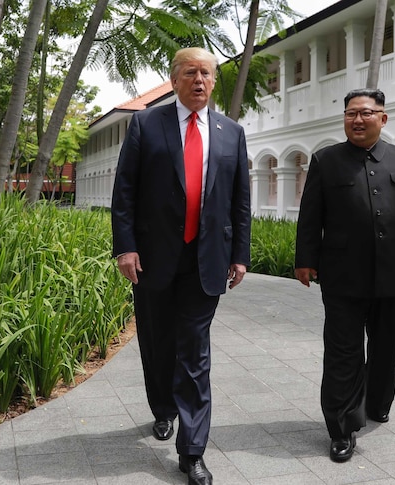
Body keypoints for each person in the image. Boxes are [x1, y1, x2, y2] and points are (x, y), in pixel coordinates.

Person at [111, 47, 251, 485]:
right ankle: (162, 407)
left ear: (213, 82)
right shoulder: (146, 124)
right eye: (190, 72)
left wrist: (240, 254)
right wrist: (125, 248)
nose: (199, 80)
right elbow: (125, 191)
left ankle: (192, 451)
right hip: (153, 258)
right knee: (156, 341)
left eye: (206, 74)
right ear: (174, 79)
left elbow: (239, 201)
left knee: (194, 351)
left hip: (206, 259)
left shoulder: (231, 132)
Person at [294, 88, 395, 463]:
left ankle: (377, 402)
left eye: (366, 113)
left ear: (383, 118)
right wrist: (305, 260)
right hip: (343, 275)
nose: (357, 120)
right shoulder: (326, 161)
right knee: (343, 353)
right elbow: (311, 215)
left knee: (386, 347)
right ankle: (342, 428)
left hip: (394, 274)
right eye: (350, 114)